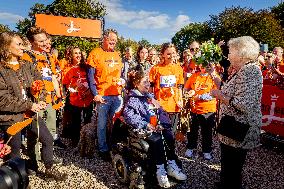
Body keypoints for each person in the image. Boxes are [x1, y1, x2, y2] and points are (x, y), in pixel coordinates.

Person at [0, 32, 66, 179]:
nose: (23, 47)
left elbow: (41, 84)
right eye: (19, 44)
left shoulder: (28, 65)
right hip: (11, 118)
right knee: (14, 153)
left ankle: (49, 169)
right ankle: (17, 180)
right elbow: (2, 99)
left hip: (31, 114)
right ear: (6, 46)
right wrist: (29, 104)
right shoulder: (1, 70)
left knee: (48, 139)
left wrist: (40, 97)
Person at [209, 36, 263, 189]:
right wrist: (213, 75)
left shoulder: (251, 71)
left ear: (242, 53)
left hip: (239, 128)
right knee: (227, 160)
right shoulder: (241, 70)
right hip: (231, 127)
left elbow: (243, 104)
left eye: (231, 52)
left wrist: (220, 96)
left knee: (234, 164)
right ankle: (225, 182)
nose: (228, 55)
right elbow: (228, 88)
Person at [123, 69, 187, 188]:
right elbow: (130, 117)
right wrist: (146, 124)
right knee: (157, 140)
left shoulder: (150, 97)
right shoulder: (133, 99)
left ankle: (171, 165)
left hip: (156, 126)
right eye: (145, 82)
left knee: (169, 136)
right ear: (136, 84)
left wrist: (162, 124)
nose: (148, 84)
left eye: (148, 82)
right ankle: (160, 170)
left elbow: (161, 111)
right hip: (143, 129)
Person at [22, 27, 66, 150]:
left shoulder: (49, 57)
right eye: (40, 41)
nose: (44, 43)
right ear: (31, 42)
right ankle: (34, 159)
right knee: (35, 131)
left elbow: (53, 78)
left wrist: (59, 97)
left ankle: (48, 155)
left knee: (51, 128)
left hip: (50, 99)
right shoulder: (26, 57)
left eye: (45, 40)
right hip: (35, 100)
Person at [87, 28, 123, 160]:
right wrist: (95, 94)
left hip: (117, 95)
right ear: (104, 39)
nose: (113, 42)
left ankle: (113, 145)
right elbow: (90, 76)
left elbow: (120, 74)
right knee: (101, 124)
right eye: (111, 39)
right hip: (103, 95)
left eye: (115, 40)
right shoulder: (95, 53)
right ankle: (102, 149)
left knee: (115, 123)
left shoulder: (117, 55)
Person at [184, 64, 218, 160]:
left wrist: (200, 97)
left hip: (208, 110)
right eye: (202, 64)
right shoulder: (194, 76)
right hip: (194, 109)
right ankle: (191, 147)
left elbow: (216, 93)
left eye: (207, 64)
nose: (204, 66)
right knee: (192, 131)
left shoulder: (214, 76)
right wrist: (188, 93)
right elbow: (186, 89)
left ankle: (206, 150)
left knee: (207, 132)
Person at [62, 46, 93, 147]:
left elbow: (93, 81)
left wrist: (88, 91)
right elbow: (66, 84)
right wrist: (74, 88)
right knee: (75, 121)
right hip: (75, 100)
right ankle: (75, 141)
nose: (78, 55)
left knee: (88, 121)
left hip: (88, 98)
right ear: (71, 55)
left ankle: (87, 141)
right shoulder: (68, 69)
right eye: (75, 53)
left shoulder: (87, 67)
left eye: (79, 53)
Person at [149, 43, 184, 133]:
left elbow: (180, 86)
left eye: (173, 53)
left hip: (174, 105)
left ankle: (171, 147)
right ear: (163, 54)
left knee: (172, 132)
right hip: (161, 106)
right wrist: (152, 101)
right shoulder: (155, 68)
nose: (171, 56)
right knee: (161, 133)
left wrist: (180, 100)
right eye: (168, 54)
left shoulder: (179, 68)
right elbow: (150, 87)